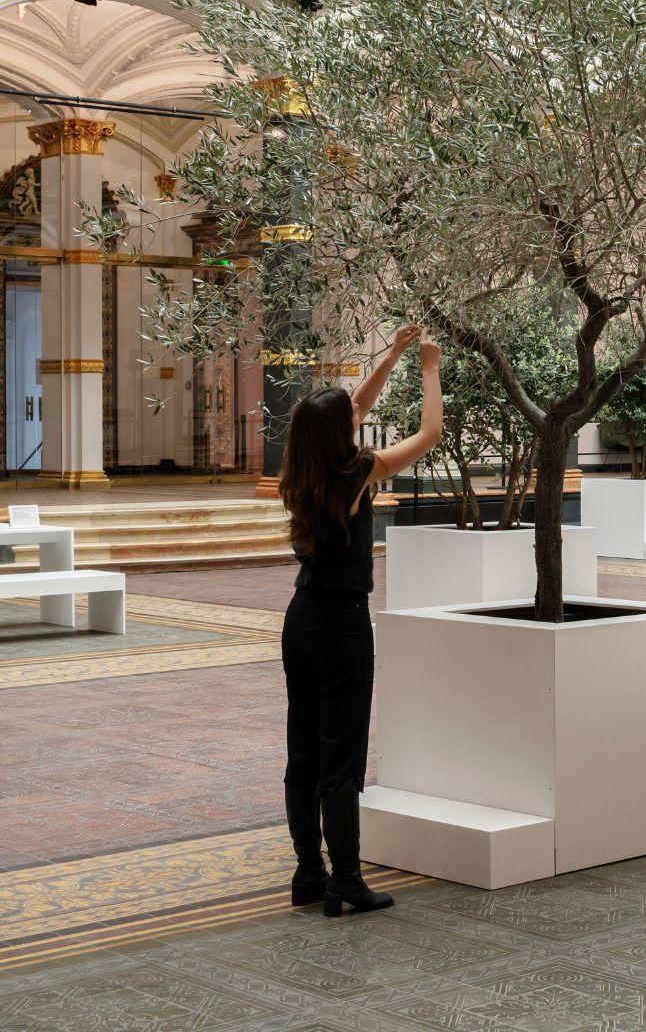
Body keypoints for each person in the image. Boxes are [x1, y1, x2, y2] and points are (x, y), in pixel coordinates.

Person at [277, 323, 443, 917]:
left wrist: (392, 353)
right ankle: (346, 879)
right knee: (342, 754)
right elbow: (430, 434)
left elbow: (353, 410)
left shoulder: (300, 471)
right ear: (338, 435)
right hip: (342, 623)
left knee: (303, 749)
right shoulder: (355, 471)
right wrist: (428, 367)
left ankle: (309, 872)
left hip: (300, 617)